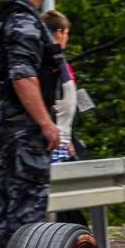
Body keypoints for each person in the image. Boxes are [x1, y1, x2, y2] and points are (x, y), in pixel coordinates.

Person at [0, 0, 63, 248]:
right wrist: (46, 124)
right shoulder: (27, 21)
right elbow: (23, 75)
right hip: (22, 126)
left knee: (9, 206)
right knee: (28, 208)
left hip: (0, 120)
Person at [42, 9, 77, 164]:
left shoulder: (58, 59)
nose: (67, 38)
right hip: (53, 139)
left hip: (60, 139)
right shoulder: (50, 61)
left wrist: (67, 137)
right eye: (66, 33)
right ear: (58, 33)